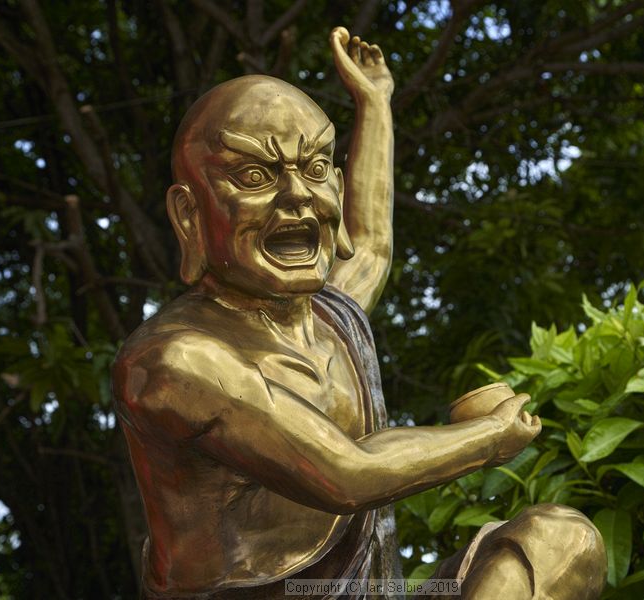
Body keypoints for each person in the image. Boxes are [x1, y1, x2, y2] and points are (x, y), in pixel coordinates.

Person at [113, 27, 605, 600]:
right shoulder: (174, 362)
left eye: (316, 170)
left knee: (560, 540)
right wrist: (487, 438)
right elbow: (345, 475)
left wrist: (374, 104)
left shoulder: (328, 319)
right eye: (255, 177)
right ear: (189, 213)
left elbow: (370, 244)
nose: (298, 196)